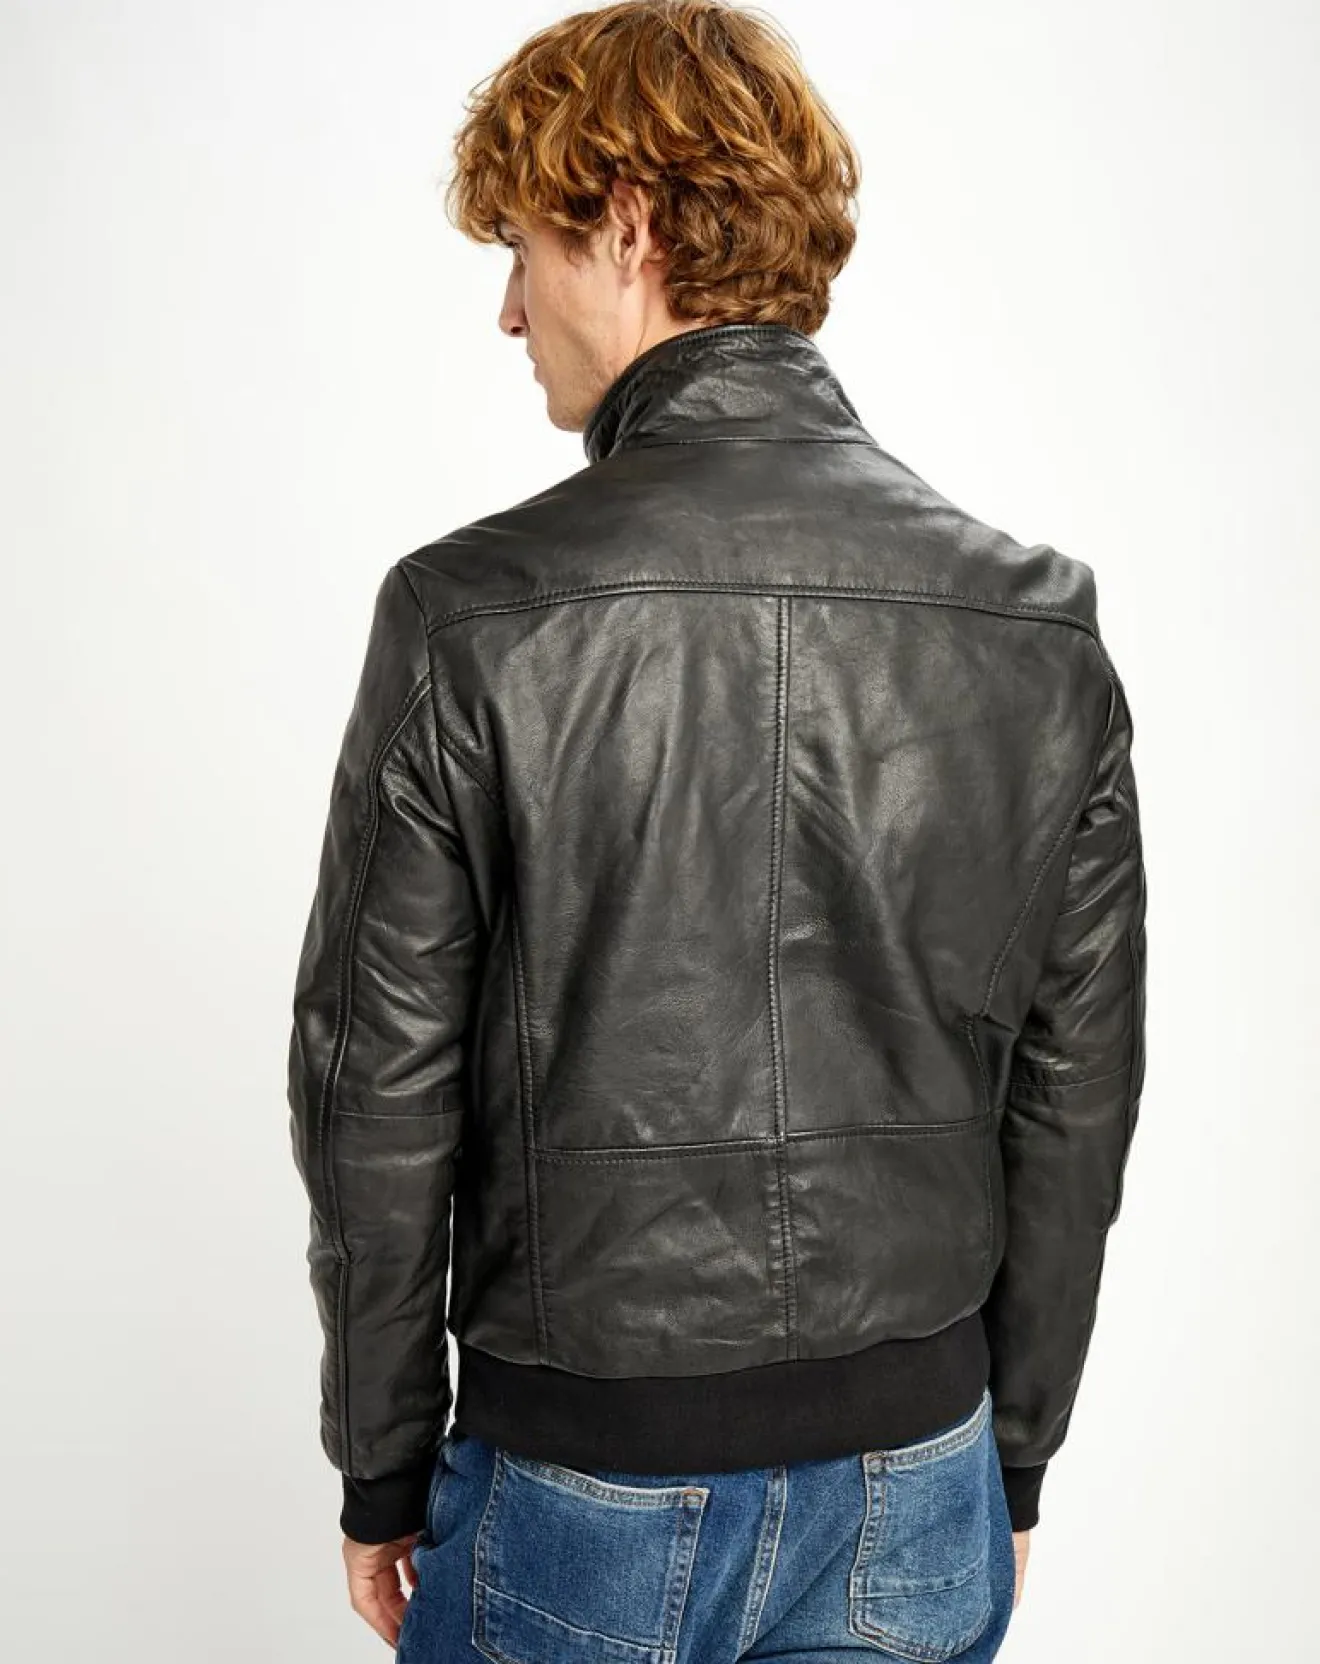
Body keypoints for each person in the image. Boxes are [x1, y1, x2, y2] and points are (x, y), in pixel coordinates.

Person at [285, 2, 1148, 1657]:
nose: (508, 308)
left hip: (584, 1483)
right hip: (919, 1477)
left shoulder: (471, 616)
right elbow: (1076, 1094)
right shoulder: (1035, 625)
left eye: (523, 248)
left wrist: (383, 1468)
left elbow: (373, 1097)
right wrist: (1011, 1458)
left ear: (626, 223)